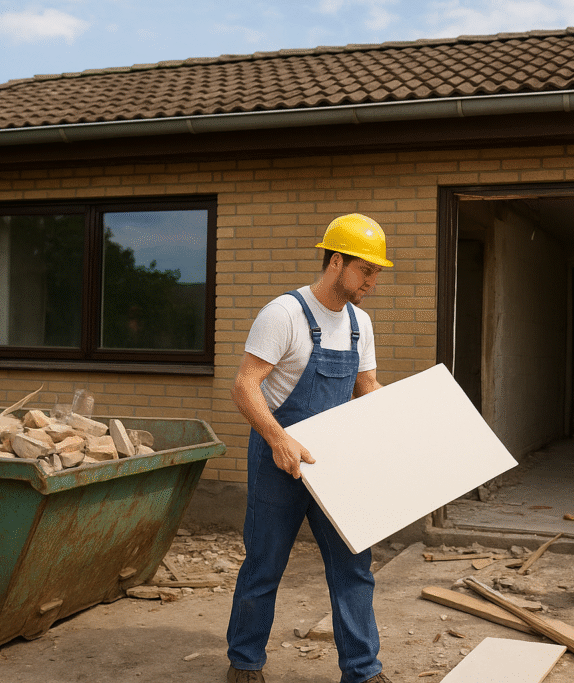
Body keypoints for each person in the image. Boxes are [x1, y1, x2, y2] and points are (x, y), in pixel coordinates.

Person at [226, 214, 395, 683]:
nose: (372, 283)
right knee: (264, 565)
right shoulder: (283, 314)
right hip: (278, 462)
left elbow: (366, 385)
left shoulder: (360, 322)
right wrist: (279, 439)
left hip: (335, 465)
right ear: (336, 262)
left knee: (354, 568)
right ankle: (244, 662)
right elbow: (244, 386)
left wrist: (407, 419)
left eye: (377, 273)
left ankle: (362, 671)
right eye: (367, 271)